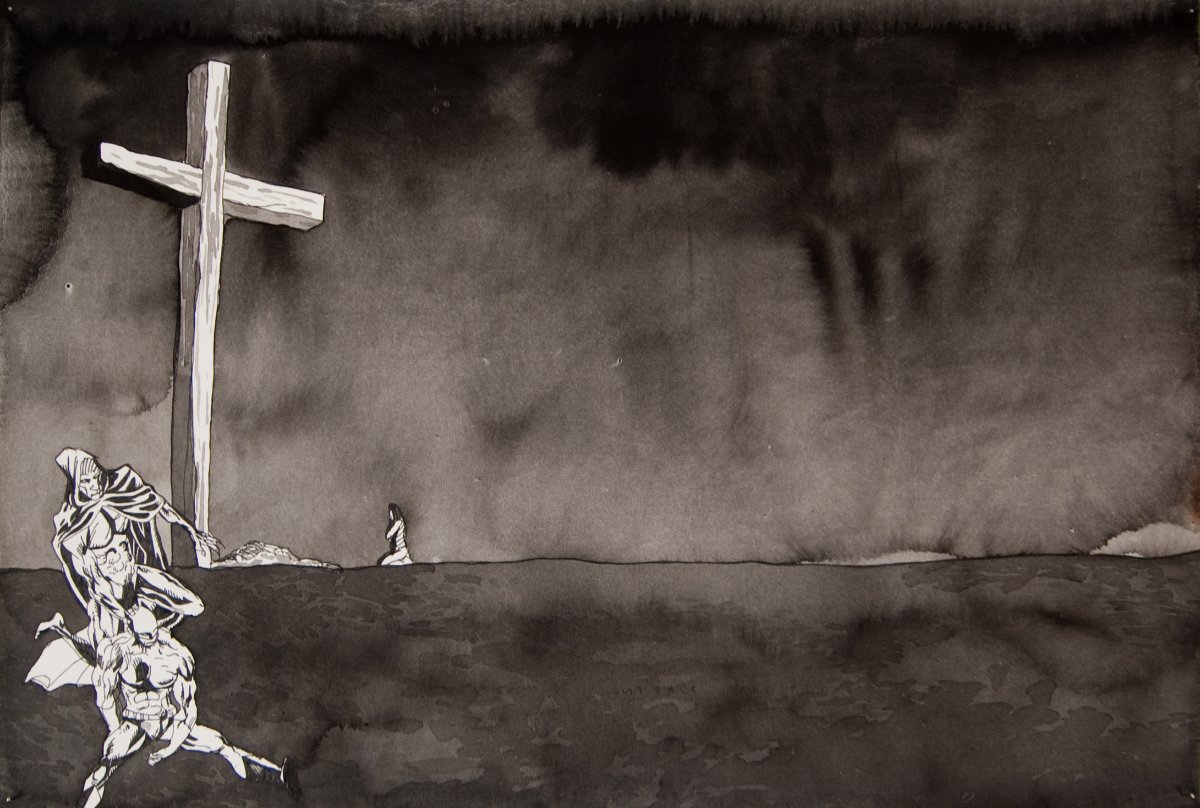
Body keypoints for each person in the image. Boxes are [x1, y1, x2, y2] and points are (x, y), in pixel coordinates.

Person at [77, 606, 300, 808]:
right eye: (144, 635)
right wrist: (115, 727)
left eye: (153, 633)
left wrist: (170, 748)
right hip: (134, 723)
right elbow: (104, 696)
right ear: (132, 631)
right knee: (103, 769)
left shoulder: (176, 656)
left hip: (166, 720)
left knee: (220, 744)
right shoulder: (117, 652)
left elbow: (188, 710)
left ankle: (278, 776)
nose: (151, 639)